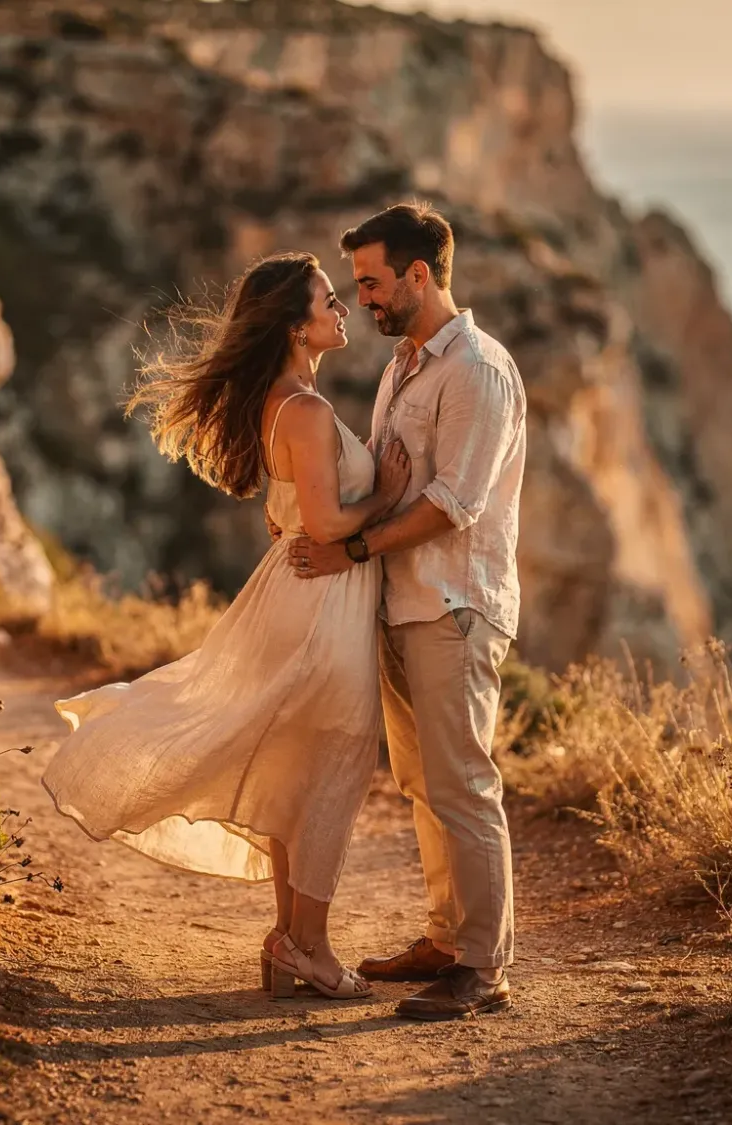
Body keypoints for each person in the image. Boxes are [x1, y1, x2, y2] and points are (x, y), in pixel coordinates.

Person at [40, 251, 410, 1000]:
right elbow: (328, 519)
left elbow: (294, 513)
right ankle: (309, 945)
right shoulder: (304, 409)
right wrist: (389, 493)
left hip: (295, 595)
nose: (342, 310)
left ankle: (289, 940)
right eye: (328, 301)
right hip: (322, 605)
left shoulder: (284, 400)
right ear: (296, 326)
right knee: (333, 767)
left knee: (293, 769)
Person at [288, 203, 528, 1021]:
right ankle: (443, 939)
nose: (361, 299)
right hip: (401, 606)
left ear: (419, 276)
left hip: (454, 606)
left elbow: (452, 503)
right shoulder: (405, 364)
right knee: (425, 785)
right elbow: (391, 480)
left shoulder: (477, 371)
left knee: (463, 784)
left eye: (371, 282)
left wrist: (353, 550)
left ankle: (485, 967)